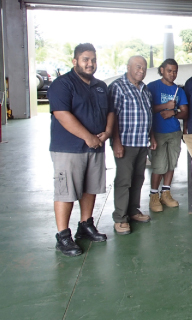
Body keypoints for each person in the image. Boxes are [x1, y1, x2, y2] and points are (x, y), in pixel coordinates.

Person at [48, 43, 112, 256]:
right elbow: (62, 114)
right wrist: (88, 137)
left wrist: (108, 132)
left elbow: (111, 111)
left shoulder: (100, 86)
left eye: (93, 59)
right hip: (69, 148)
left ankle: (85, 225)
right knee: (66, 191)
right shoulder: (62, 84)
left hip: (95, 147)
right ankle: (63, 236)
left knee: (90, 188)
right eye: (85, 59)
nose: (90, 63)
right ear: (74, 61)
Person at [109, 55, 155, 235]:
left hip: (142, 141)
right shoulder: (117, 87)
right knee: (124, 180)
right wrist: (116, 143)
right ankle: (120, 217)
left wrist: (151, 136)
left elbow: (148, 115)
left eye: (143, 68)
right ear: (128, 67)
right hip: (126, 143)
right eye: (137, 67)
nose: (141, 71)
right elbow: (112, 117)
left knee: (138, 178)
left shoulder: (145, 89)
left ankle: (133, 211)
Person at [147, 59, 189, 213]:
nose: (172, 74)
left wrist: (174, 112)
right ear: (162, 70)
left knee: (171, 164)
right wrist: (165, 106)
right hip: (157, 132)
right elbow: (146, 108)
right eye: (169, 70)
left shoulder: (179, 91)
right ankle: (153, 195)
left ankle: (166, 193)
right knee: (159, 165)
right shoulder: (152, 87)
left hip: (174, 132)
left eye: (175, 71)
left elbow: (185, 111)